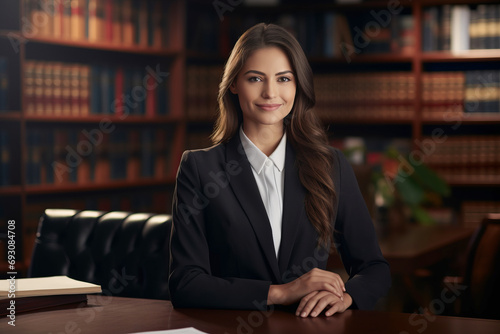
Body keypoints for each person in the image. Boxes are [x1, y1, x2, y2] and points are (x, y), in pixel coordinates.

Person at [169, 23, 390, 318]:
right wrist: (279, 292)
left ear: (298, 85)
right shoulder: (198, 168)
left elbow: (374, 269)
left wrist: (348, 296)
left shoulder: (331, 165)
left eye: (283, 78)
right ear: (234, 83)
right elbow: (185, 284)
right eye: (255, 78)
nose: (270, 92)